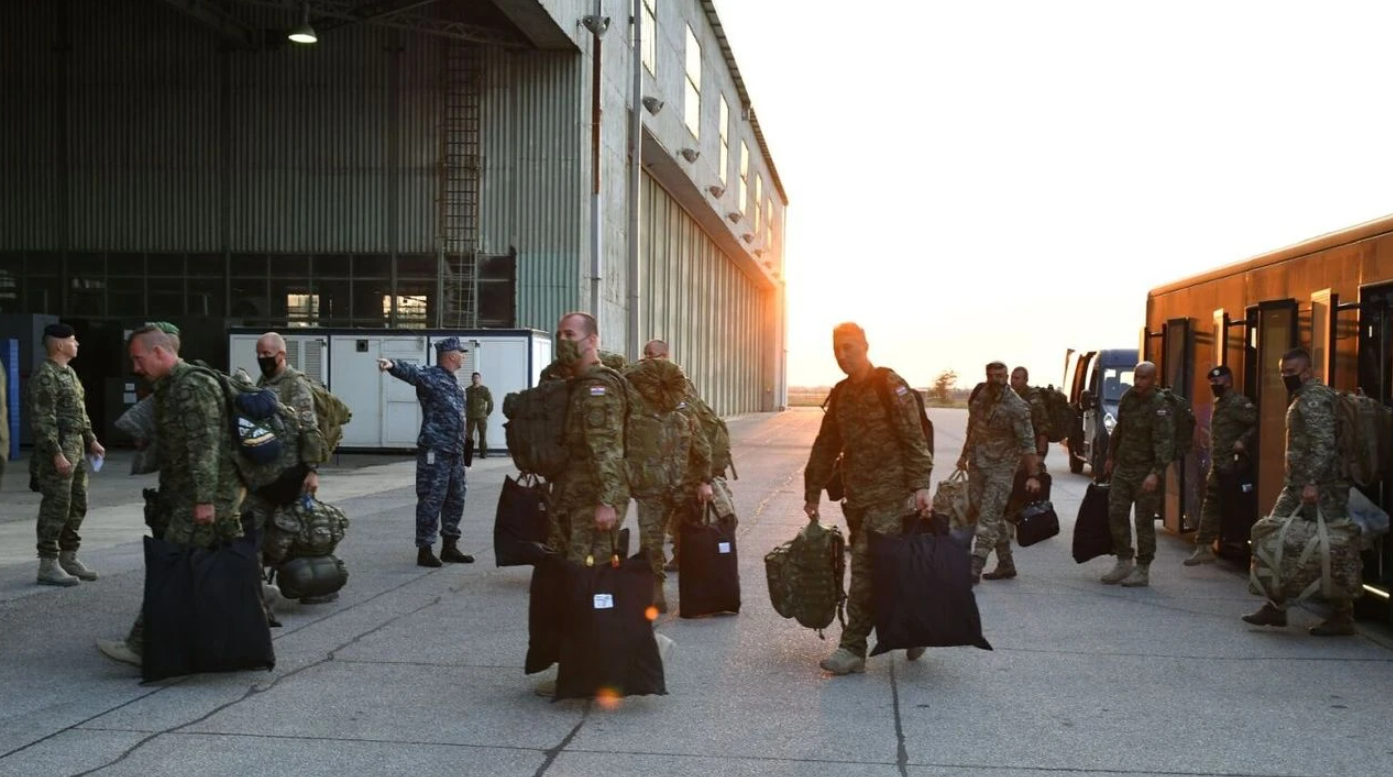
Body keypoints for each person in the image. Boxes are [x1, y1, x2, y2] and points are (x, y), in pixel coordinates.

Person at [97, 324, 247, 665]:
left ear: (160, 352)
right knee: (233, 562)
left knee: (172, 565)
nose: (136, 368)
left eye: (139, 359)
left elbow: (204, 445)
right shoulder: (172, 387)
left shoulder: (191, 387)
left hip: (205, 496)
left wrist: (204, 499)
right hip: (200, 493)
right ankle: (248, 629)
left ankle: (140, 645)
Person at [803, 322, 933, 676]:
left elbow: (914, 438)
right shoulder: (842, 393)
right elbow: (826, 445)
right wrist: (812, 489)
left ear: (865, 345)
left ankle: (852, 648)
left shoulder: (889, 385)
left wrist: (921, 485)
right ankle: (913, 626)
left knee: (863, 568)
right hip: (857, 497)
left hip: (892, 496)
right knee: (886, 570)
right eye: (837, 350)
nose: (843, 355)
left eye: (849, 347)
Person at [534, 312, 636, 697]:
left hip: (594, 502)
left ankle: (607, 666)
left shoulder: (599, 389)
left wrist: (607, 502)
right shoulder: (574, 384)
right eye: (559, 333)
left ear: (592, 340)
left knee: (590, 584)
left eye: (570, 334)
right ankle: (583, 666)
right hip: (571, 498)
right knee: (574, 582)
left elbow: (607, 448)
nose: (564, 339)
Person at [1242, 348, 1355, 636]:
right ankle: (1276, 607)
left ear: (1307, 372)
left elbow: (1323, 443)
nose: (1285, 377)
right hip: (1297, 486)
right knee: (1274, 534)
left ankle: (1343, 615)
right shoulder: (1304, 397)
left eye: (1290, 372)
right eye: (1282, 372)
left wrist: (1313, 482)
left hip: (1319, 488)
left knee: (1332, 549)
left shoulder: (1314, 399)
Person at [623, 357, 713, 613]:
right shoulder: (684, 412)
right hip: (680, 486)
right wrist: (704, 481)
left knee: (652, 541)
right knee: (689, 539)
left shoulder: (636, 413)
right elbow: (703, 449)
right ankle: (692, 593)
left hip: (653, 487)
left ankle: (655, 591)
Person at [378, 338, 474, 567]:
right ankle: (425, 549)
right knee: (431, 498)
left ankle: (450, 546)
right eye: (461, 353)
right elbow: (413, 372)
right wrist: (392, 364)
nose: (463, 356)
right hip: (436, 450)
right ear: (451, 355)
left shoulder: (456, 384)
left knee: (456, 498)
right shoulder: (432, 376)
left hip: (455, 452)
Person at [250, 332, 329, 605]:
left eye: (267, 354)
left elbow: (309, 430)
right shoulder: (264, 382)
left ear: (282, 355)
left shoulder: (295, 385)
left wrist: (312, 470)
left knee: (293, 532)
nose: (262, 359)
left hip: (291, 474)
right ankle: (257, 589)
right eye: (259, 354)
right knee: (255, 526)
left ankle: (316, 583)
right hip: (266, 475)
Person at [30, 323, 104, 587]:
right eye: (73, 340)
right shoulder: (46, 375)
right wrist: (55, 454)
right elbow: (42, 419)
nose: (77, 344)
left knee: (77, 503)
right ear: (59, 345)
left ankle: (68, 556)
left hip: (76, 446)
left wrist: (91, 439)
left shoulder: (69, 372)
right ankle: (48, 563)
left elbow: (79, 412)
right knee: (56, 505)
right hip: (59, 447)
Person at [957, 362, 1039, 584]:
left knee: (989, 515)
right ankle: (1006, 564)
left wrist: (1033, 475)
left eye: (1000, 375)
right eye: (991, 375)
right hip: (978, 464)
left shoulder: (1016, 406)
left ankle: (975, 565)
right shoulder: (980, 397)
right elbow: (972, 428)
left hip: (1002, 467)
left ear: (1007, 377)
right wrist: (964, 455)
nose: (995, 379)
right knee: (987, 511)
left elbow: (1028, 442)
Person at [1100, 361, 1173, 588]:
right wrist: (1111, 457)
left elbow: (1165, 444)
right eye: (1137, 377)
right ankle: (1124, 561)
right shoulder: (1128, 398)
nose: (1138, 382)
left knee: (1143, 521)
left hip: (1146, 471)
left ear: (1153, 379)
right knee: (1116, 512)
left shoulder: (1160, 405)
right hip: (1124, 467)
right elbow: (1119, 429)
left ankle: (1143, 568)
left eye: (1143, 378)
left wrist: (1156, 474)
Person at [1185, 365, 1257, 566]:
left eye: (1217, 382)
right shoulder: (1220, 403)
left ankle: (1241, 545)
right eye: (1212, 383)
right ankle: (1204, 546)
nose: (1214, 386)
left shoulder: (1238, 403)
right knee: (1210, 503)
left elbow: (1259, 422)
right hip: (1219, 464)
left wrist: (1243, 440)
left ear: (1228, 381)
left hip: (1235, 467)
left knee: (1237, 507)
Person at [465, 372, 494, 459]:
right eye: (474, 377)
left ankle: (483, 453)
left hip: (481, 416)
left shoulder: (484, 390)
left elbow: (490, 402)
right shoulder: (467, 390)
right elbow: (463, 402)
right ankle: (467, 454)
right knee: (468, 436)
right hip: (470, 416)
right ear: (472, 379)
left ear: (480, 379)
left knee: (483, 435)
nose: (475, 379)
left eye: (477, 377)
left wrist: (487, 413)